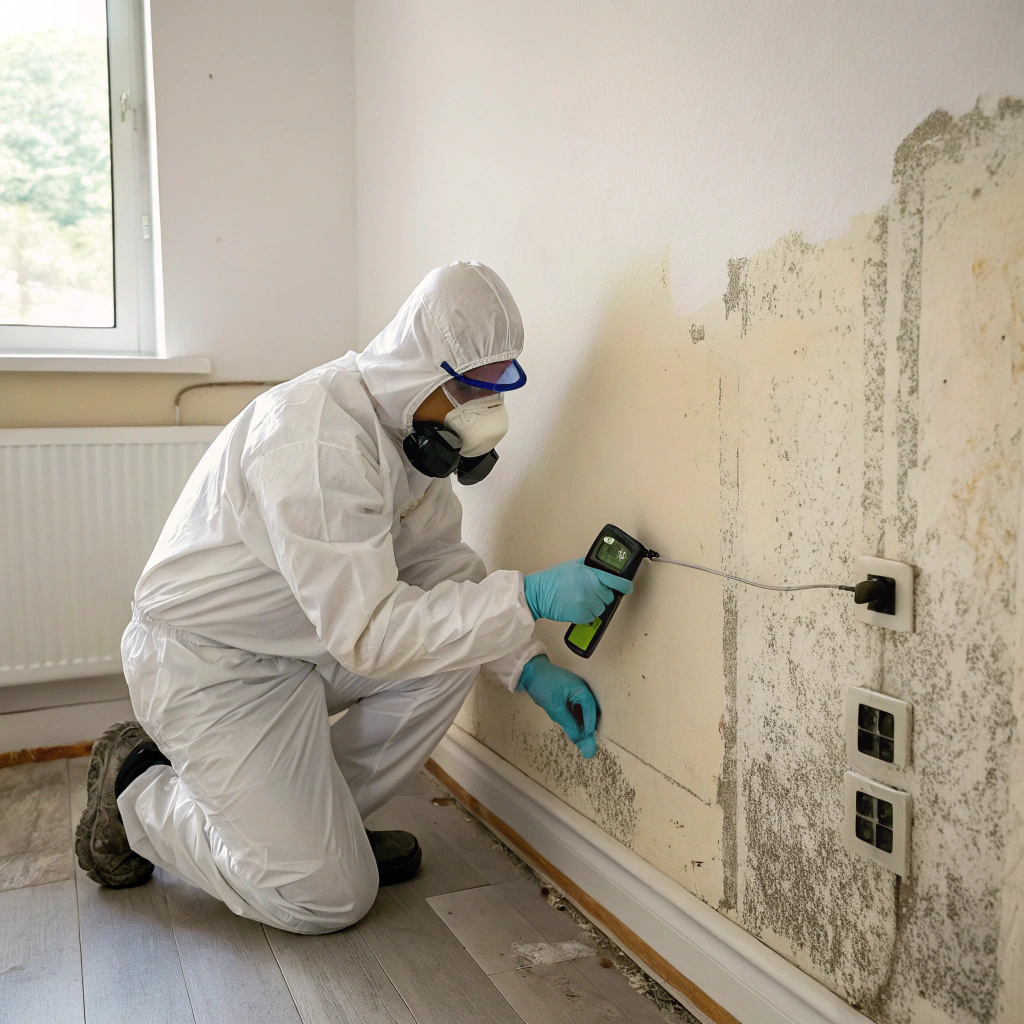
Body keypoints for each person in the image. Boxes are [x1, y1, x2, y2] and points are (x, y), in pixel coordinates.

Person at [75, 262, 631, 934]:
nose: (485, 408)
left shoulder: (412, 440)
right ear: (418, 368)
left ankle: (313, 833)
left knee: (455, 646)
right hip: (209, 667)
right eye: (468, 386)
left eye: (496, 383)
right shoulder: (315, 444)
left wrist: (528, 666)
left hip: (301, 648)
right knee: (325, 898)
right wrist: (533, 596)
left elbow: (443, 575)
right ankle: (137, 790)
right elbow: (369, 636)